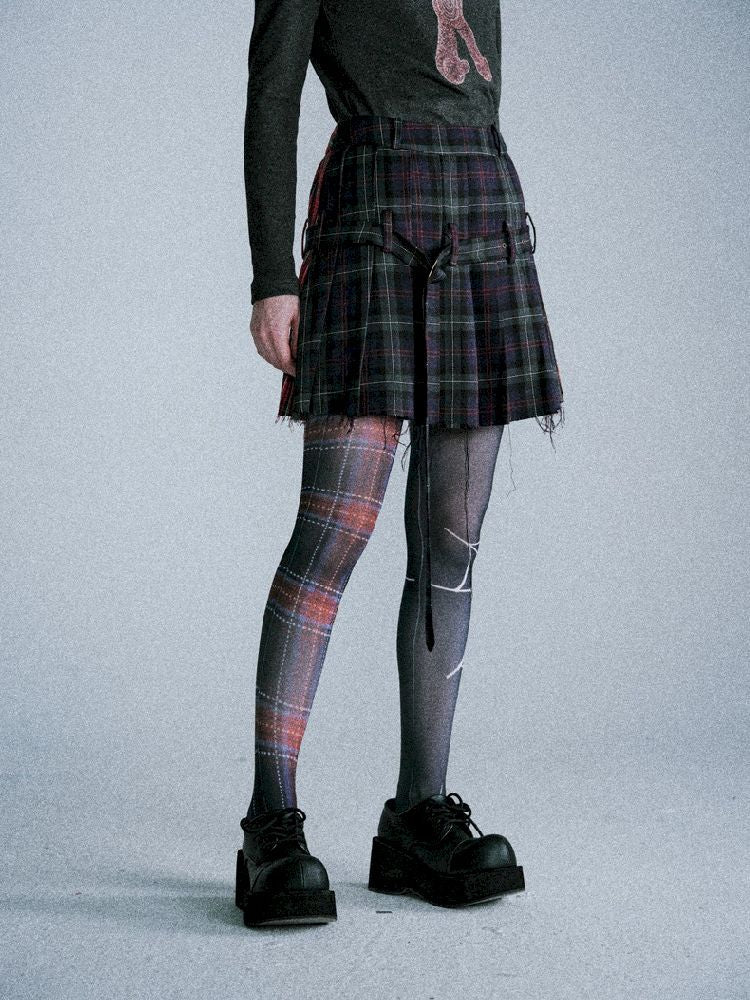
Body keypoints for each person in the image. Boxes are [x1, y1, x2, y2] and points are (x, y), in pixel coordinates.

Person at [234, 0, 565, 927]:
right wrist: (272, 276)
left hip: (481, 191)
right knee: (333, 534)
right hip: (371, 201)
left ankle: (419, 816)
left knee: (452, 542)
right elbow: (272, 91)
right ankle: (270, 824)